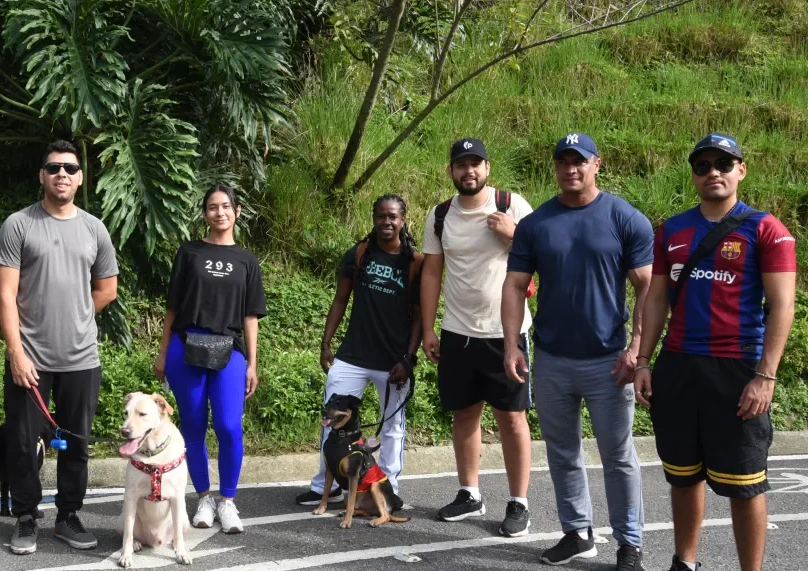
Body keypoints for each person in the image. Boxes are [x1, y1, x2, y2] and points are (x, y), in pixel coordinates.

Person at [633, 133, 796, 571]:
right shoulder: (673, 228)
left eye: (723, 164)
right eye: (703, 166)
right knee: (682, 476)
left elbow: (782, 306)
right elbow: (656, 299)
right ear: (694, 176)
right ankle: (684, 562)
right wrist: (644, 361)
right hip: (679, 365)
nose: (713, 173)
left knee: (745, 484)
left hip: (738, 369)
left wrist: (766, 375)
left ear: (741, 169)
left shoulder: (766, 229)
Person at [502, 132, 653, 570]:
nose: (571, 168)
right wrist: (512, 344)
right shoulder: (536, 224)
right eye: (563, 161)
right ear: (555, 167)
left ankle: (629, 544)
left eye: (579, 161)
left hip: (610, 362)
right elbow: (514, 286)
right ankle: (577, 532)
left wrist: (637, 350)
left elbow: (648, 286)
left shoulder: (625, 218)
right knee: (562, 451)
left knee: (618, 455)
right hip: (551, 359)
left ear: (596, 164)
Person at [0, 140, 119, 555]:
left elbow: (107, 289)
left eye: (69, 167)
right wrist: (16, 351)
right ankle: (26, 517)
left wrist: (80, 316)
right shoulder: (18, 224)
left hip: (81, 358)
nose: (61, 173)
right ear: (41, 176)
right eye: (53, 168)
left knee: (76, 443)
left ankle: (67, 516)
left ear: (80, 178)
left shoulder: (94, 228)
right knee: (24, 442)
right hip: (30, 358)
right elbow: (6, 295)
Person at [420, 138, 535, 537]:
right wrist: (429, 327)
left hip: (507, 333)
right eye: (460, 165)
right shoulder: (439, 216)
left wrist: (514, 233)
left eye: (476, 164)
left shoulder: (511, 204)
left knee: (512, 418)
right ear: (450, 171)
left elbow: (544, 253)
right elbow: (432, 272)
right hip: (457, 332)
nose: (468, 171)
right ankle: (470, 492)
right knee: (464, 413)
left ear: (487, 168)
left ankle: (518, 501)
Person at [294, 194, 422, 508]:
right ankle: (329, 484)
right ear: (374, 218)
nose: (387, 222)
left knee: (392, 428)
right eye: (381, 216)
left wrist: (408, 357)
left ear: (403, 219)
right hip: (352, 356)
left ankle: (388, 487)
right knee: (330, 420)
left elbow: (421, 314)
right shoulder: (360, 253)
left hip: (393, 362)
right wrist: (326, 344)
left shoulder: (415, 262)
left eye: (393, 216)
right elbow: (340, 300)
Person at [153, 185, 267, 534]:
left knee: (229, 427)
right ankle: (203, 497)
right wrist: (162, 351)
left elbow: (251, 315)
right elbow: (173, 306)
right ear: (205, 213)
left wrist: (252, 362)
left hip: (229, 350)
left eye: (226, 206)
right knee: (193, 428)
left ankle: (227, 501)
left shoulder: (247, 261)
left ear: (237, 211)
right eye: (213, 207)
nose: (220, 213)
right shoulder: (189, 252)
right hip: (185, 346)